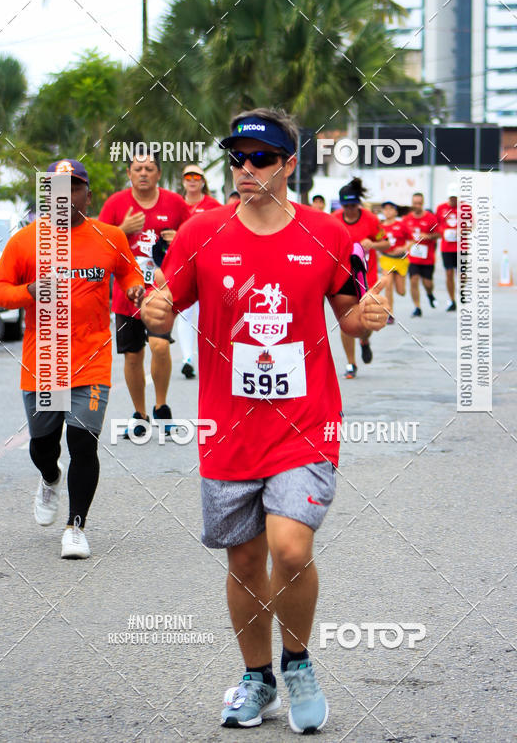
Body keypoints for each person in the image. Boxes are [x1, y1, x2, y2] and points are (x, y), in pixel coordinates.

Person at [141, 108, 389, 734]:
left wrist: (371, 314)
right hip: (227, 425)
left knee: (290, 546)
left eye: (259, 158)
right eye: (237, 158)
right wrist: (155, 310)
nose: (245, 169)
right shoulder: (200, 232)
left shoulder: (328, 234)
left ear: (287, 163)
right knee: (246, 562)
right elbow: (165, 314)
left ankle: (298, 662)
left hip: (306, 422)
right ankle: (258, 681)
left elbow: (351, 316)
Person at [0, 159, 143, 559]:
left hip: (92, 357)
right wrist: (30, 291)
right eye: (57, 188)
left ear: (87, 196)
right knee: (43, 445)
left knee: (83, 441)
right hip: (43, 361)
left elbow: (128, 277)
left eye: (73, 187)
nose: (65, 195)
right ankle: (49, 477)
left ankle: (76, 527)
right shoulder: (25, 240)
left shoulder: (110, 237)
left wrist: (141, 292)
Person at [99, 148, 190, 436]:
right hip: (127, 293)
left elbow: (193, 240)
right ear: (129, 173)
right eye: (137, 169)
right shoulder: (116, 204)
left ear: (159, 174)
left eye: (149, 168)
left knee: (160, 346)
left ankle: (161, 408)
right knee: (132, 356)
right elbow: (98, 245)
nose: (143, 173)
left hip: (161, 292)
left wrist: (179, 239)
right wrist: (121, 229)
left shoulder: (175, 203)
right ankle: (139, 414)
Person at [331, 178, 389, 377]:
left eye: (353, 205)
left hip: (367, 278)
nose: (350, 210)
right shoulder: (334, 220)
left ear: (359, 203)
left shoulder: (371, 219)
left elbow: (386, 243)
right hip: (343, 278)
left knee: (366, 320)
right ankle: (350, 364)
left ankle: (364, 339)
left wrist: (373, 245)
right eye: (346, 206)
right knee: (345, 320)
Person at [178, 164, 221, 378]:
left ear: (203, 181)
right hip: (182, 267)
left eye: (196, 176)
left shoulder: (213, 205)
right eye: (188, 177)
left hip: (207, 266)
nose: (192, 180)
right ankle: (187, 358)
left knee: (208, 312)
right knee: (184, 312)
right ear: (183, 181)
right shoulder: (177, 205)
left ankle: (210, 357)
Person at [402, 192, 439, 317]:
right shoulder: (406, 219)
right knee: (414, 280)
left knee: (428, 284)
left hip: (427, 258)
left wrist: (428, 236)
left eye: (419, 203)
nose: (417, 205)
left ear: (422, 204)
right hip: (413, 258)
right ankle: (417, 307)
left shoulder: (430, 218)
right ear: (412, 204)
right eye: (414, 203)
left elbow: (439, 234)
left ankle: (429, 294)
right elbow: (402, 235)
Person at [378, 201, 409, 324]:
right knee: (388, 285)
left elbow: (412, 240)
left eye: (391, 209)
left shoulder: (401, 225)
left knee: (401, 292)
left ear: (396, 212)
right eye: (385, 209)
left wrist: (404, 247)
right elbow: (376, 241)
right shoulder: (380, 227)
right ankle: (389, 313)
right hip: (386, 259)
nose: (388, 211)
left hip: (401, 260)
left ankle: (400, 284)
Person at [435, 182, 459, 312]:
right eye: (451, 198)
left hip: (462, 247)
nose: (453, 200)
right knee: (449, 273)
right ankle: (452, 299)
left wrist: (461, 230)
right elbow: (436, 225)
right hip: (446, 247)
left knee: (461, 273)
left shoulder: (464, 208)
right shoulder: (441, 208)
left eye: (455, 198)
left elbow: (471, 224)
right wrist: (443, 231)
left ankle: (462, 294)